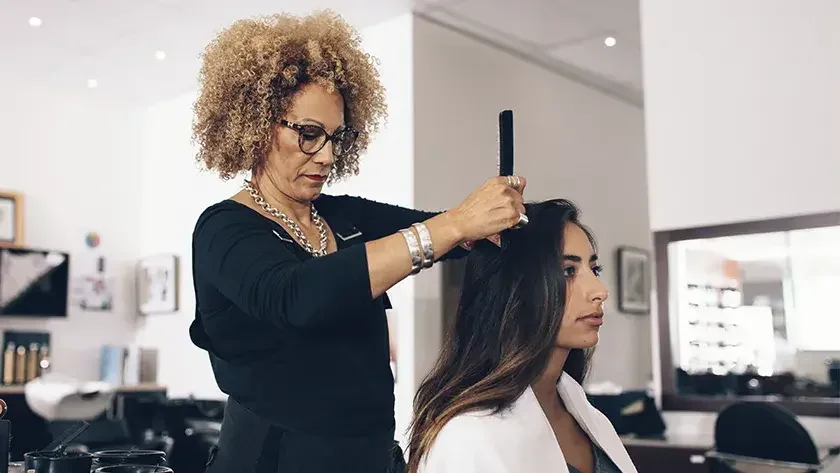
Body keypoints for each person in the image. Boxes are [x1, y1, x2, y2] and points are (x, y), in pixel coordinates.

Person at [188, 10, 528, 473]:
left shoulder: (343, 215)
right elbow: (296, 295)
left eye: (336, 137)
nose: (326, 155)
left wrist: (493, 223)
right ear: (254, 124)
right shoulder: (224, 230)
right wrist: (455, 225)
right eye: (308, 134)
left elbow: (452, 232)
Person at [408, 199, 638, 473]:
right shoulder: (467, 437)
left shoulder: (593, 422)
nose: (600, 290)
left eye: (594, 269)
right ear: (514, 290)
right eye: (568, 271)